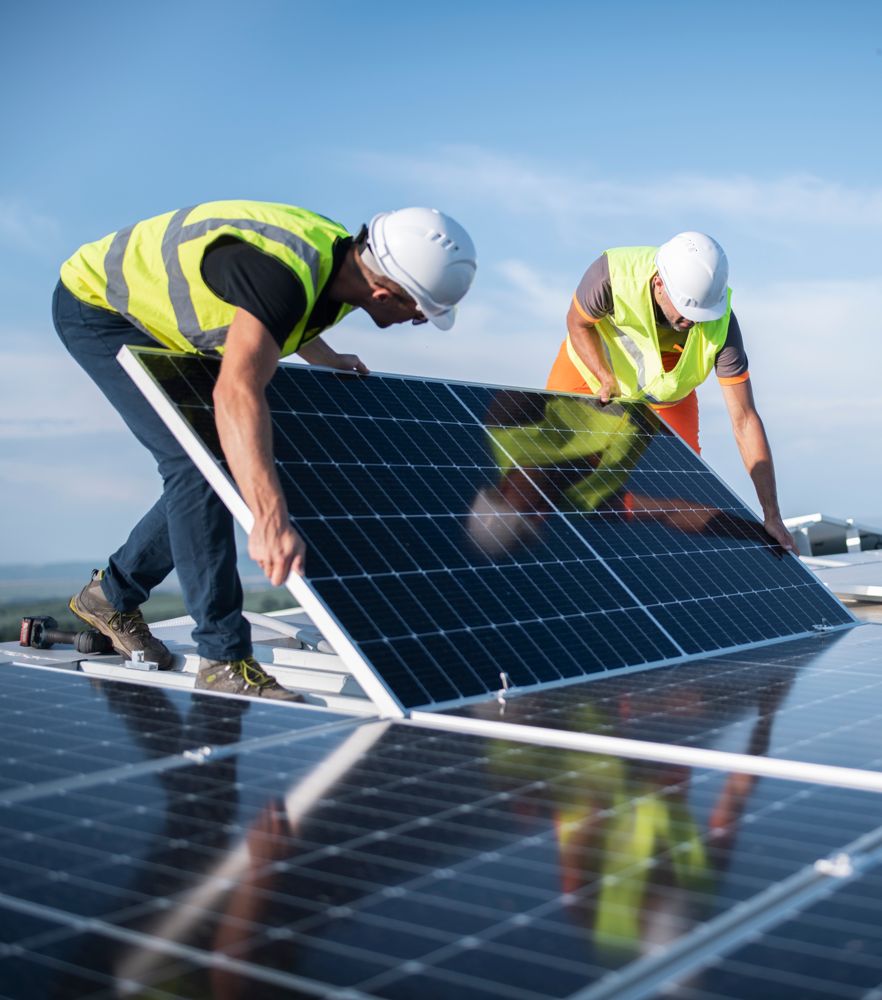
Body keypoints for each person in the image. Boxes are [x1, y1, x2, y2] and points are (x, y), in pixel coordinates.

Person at [53, 201, 477, 700]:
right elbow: (236, 389)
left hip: (161, 323)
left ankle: (112, 595)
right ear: (385, 290)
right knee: (197, 465)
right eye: (420, 309)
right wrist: (270, 520)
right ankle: (224, 659)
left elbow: (280, 316)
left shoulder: (345, 263)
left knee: (233, 459)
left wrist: (324, 356)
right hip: (101, 308)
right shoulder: (284, 273)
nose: (421, 322)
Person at [545, 232, 795, 553]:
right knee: (556, 474)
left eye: (700, 315)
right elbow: (577, 323)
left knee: (682, 491)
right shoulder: (611, 274)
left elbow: (744, 420)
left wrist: (771, 514)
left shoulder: (722, 326)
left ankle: (651, 568)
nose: (691, 322)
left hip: (667, 397)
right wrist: (604, 379)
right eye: (685, 310)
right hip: (590, 376)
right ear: (659, 283)